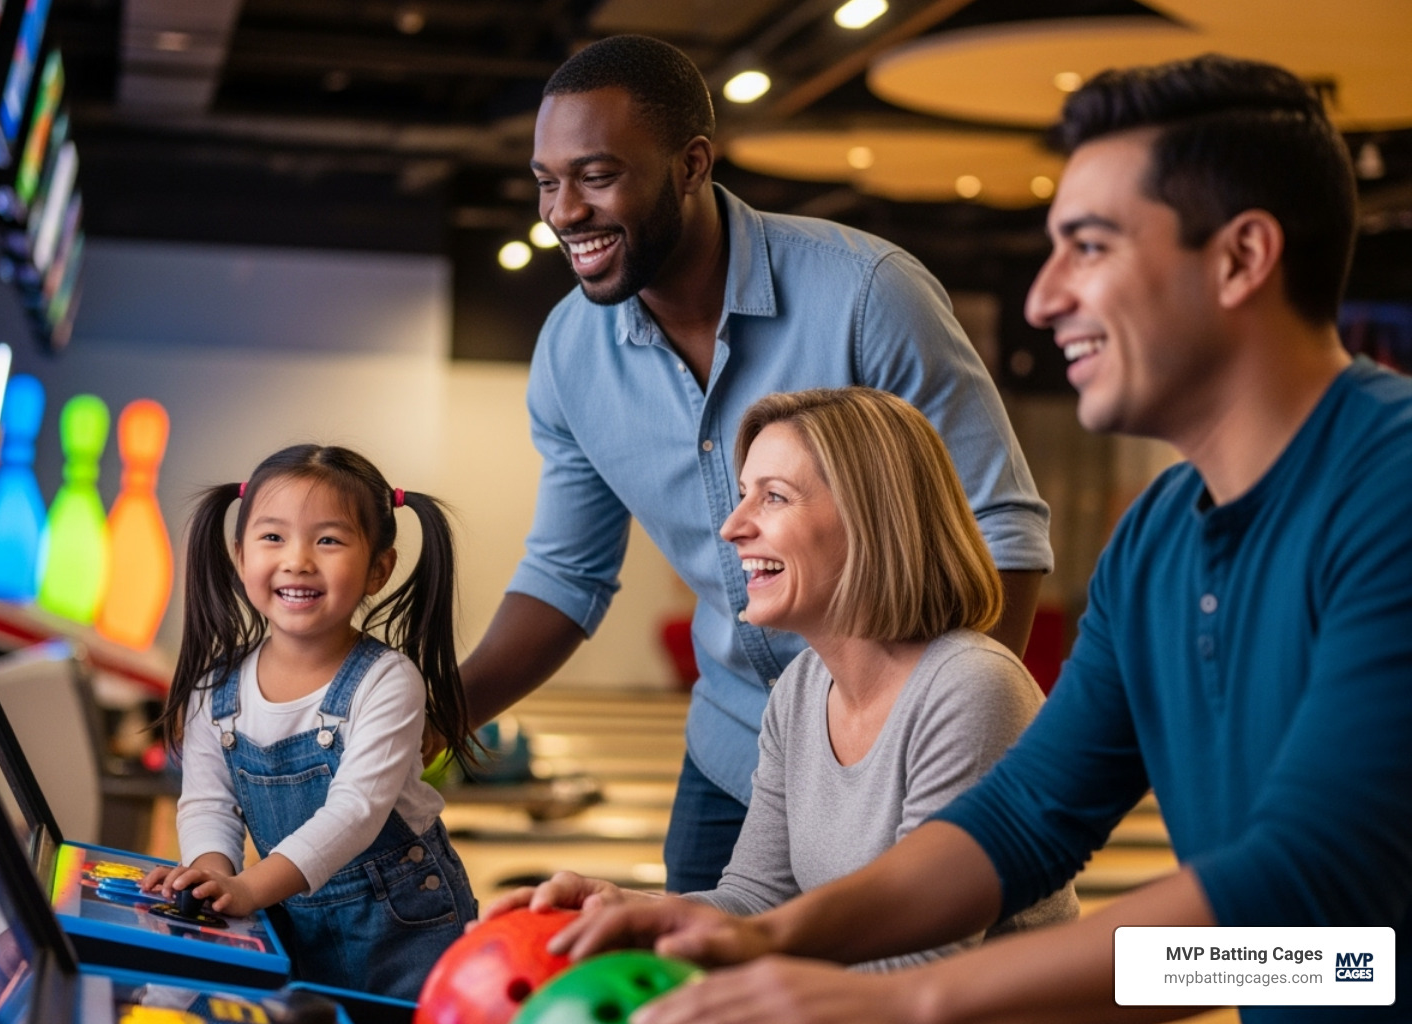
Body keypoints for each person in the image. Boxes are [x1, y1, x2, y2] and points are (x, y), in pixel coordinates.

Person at [543, 54, 1412, 1024]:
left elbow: (1318, 915)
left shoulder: (1391, 489)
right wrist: (761, 934)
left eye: (1088, 246)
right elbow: (1026, 824)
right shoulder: (1158, 542)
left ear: (1242, 257)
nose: (1044, 300)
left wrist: (910, 1001)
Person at [456, 33, 1054, 893]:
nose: (563, 211)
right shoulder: (567, 355)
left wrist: (933, 730)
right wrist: (438, 718)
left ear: (692, 165)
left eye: (596, 176)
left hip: (900, 737)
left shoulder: (865, 294)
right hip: (740, 744)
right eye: (547, 182)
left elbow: (1001, 527)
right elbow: (565, 574)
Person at [485, 388, 1077, 966]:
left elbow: (924, 961)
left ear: (871, 518)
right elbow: (756, 900)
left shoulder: (970, 687)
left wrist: (749, 962)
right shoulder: (800, 688)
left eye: (774, 497)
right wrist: (630, 915)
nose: (732, 526)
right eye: (743, 495)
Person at [143, 444, 479, 1001]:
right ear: (239, 555)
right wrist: (210, 877)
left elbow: (354, 814)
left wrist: (249, 885)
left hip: (408, 934)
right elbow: (207, 804)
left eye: (328, 540)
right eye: (272, 537)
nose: (297, 559)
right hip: (296, 923)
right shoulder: (214, 690)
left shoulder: (388, 681)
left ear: (379, 569)